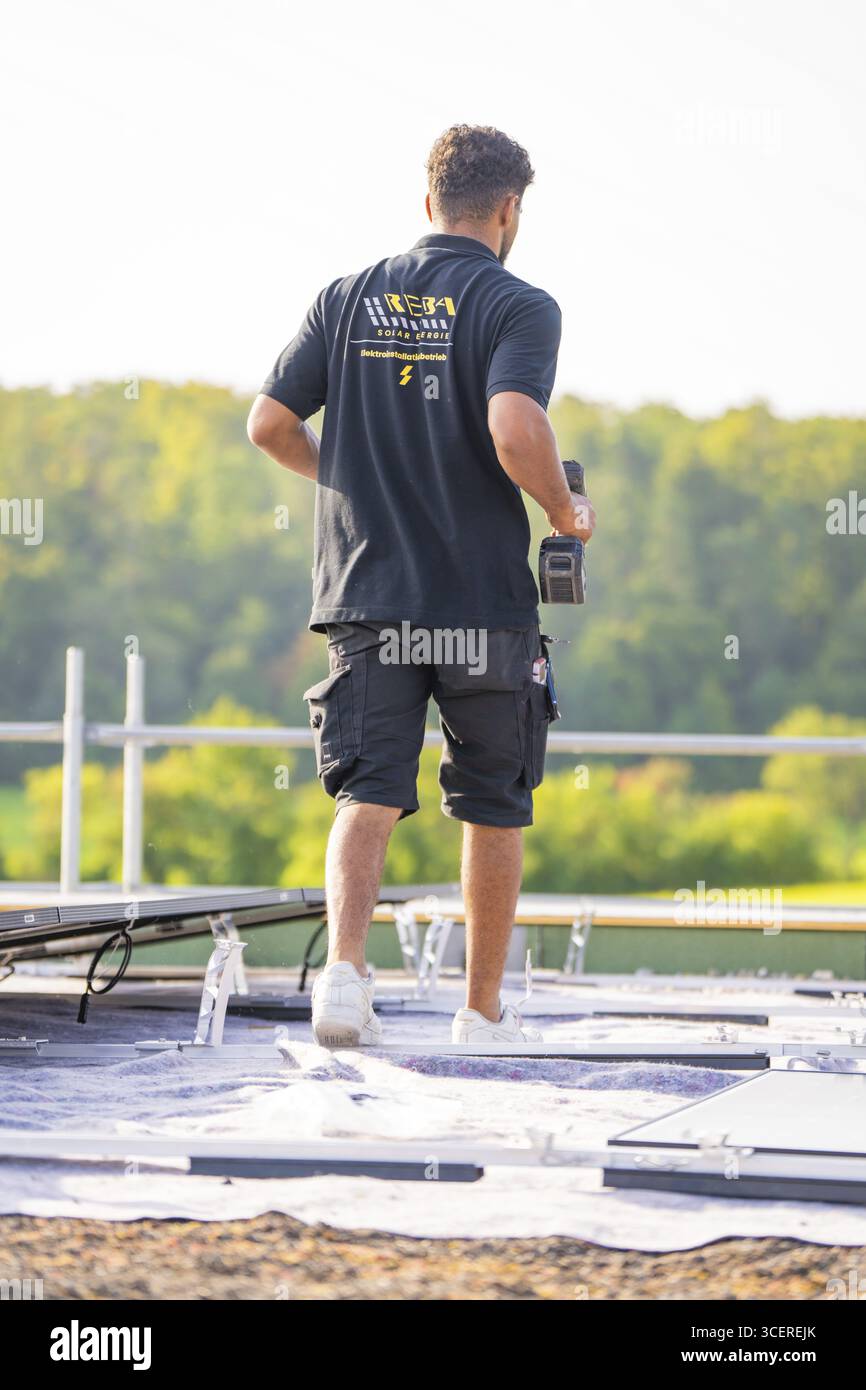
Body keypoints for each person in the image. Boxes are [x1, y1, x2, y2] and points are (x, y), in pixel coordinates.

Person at [248, 124, 596, 1049]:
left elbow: (268, 424)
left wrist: (348, 477)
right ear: (510, 209)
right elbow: (516, 428)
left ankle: (346, 980)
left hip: (367, 594)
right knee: (493, 800)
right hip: (480, 606)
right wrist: (565, 512)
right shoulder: (519, 305)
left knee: (367, 789)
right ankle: (480, 1017)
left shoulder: (346, 296)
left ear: (426, 198)